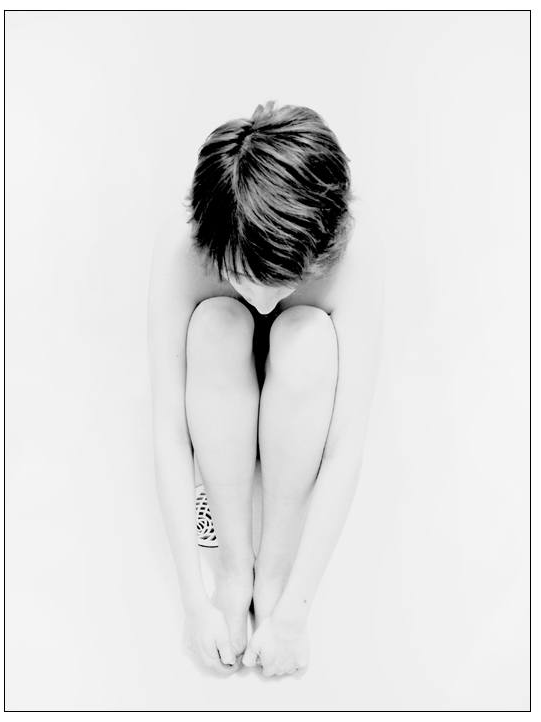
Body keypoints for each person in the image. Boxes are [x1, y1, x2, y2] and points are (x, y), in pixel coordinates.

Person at [148, 102, 385, 677]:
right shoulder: (185, 249)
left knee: (307, 337)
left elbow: (345, 446)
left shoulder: (353, 258)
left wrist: (293, 612)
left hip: (302, 388)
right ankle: (236, 567)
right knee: (217, 323)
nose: (261, 300)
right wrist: (195, 601)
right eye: (240, 274)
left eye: (281, 280)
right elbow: (169, 428)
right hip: (217, 382)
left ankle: (271, 571)